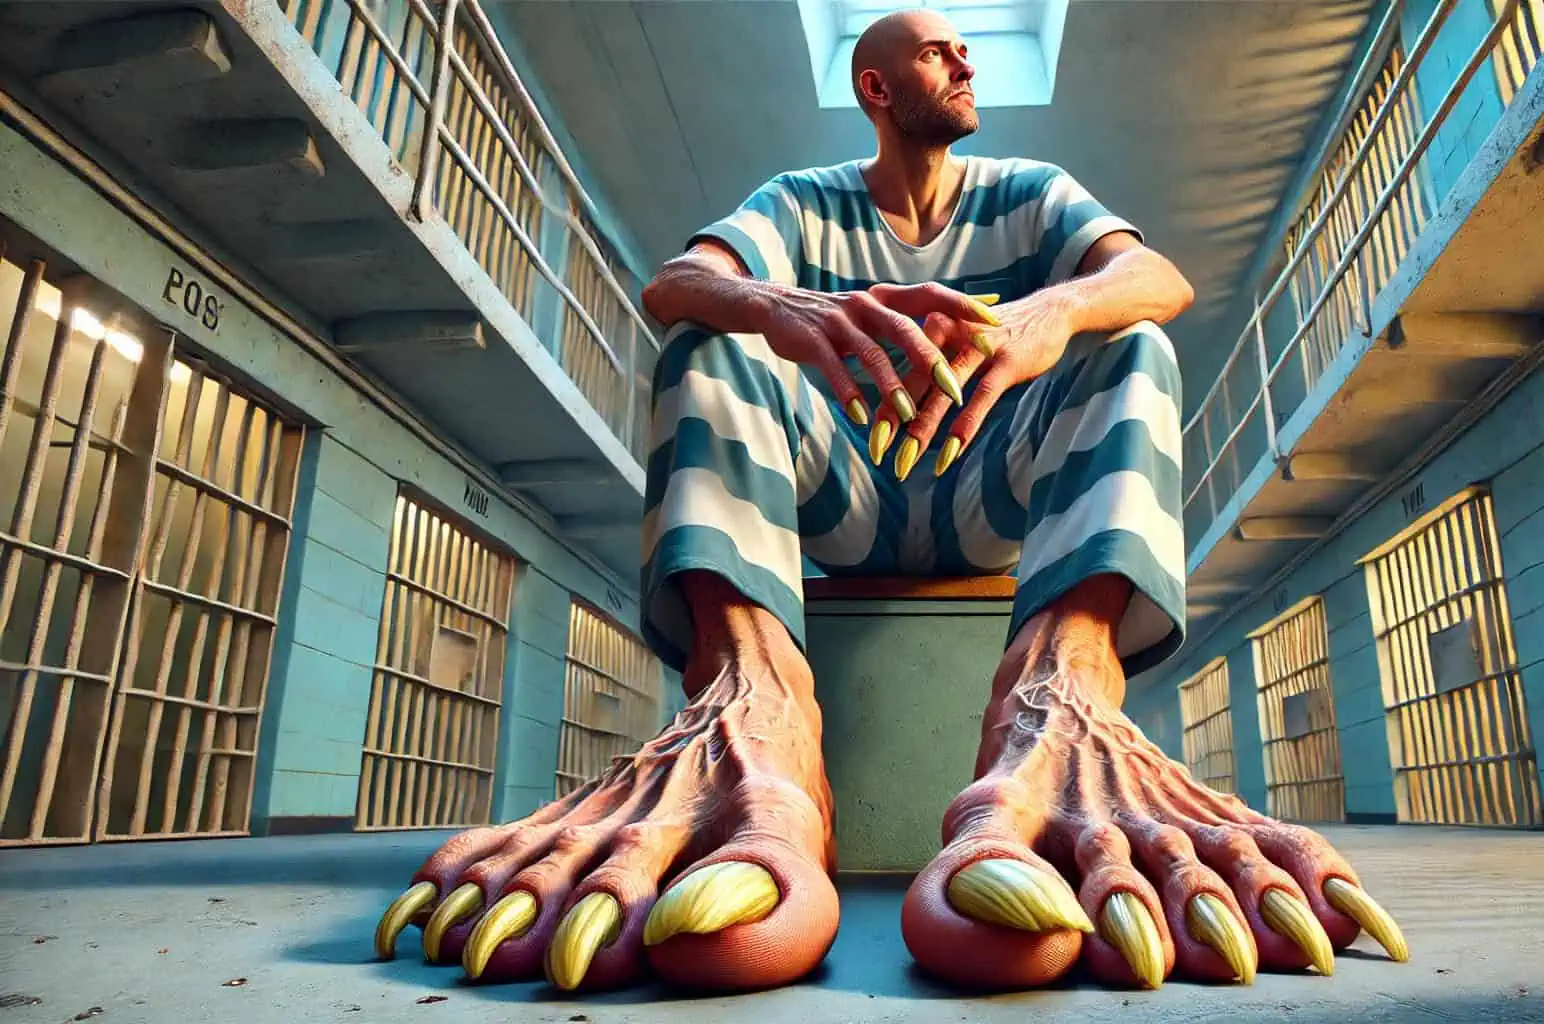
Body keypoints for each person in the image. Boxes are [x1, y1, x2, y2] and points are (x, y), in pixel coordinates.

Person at [372, 7, 1407, 994]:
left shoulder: (1029, 191)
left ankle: (1066, 700)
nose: (965, 64)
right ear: (874, 85)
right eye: (936, 53)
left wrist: (1051, 311)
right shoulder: (803, 198)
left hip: (988, 481)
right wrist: (786, 307)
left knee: (1129, 335)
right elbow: (675, 282)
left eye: (968, 49)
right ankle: (746, 700)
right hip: (846, 487)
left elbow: (1157, 277)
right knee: (707, 341)